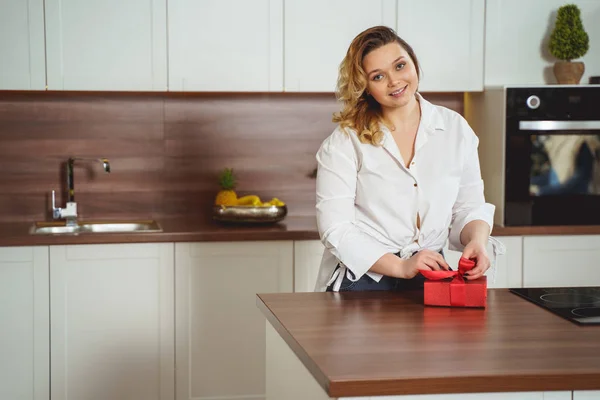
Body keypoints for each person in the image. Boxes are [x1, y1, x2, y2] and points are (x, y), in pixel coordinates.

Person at [314, 26, 505, 292]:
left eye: (400, 66)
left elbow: (467, 207)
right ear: (366, 87)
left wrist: (477, 240)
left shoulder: (455, 129)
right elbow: (336, 229)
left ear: (414, 63)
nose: (394, 81)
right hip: (365, 280)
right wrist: (402, 267)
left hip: (432, 273)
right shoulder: (345, 141)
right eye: (378, 76)